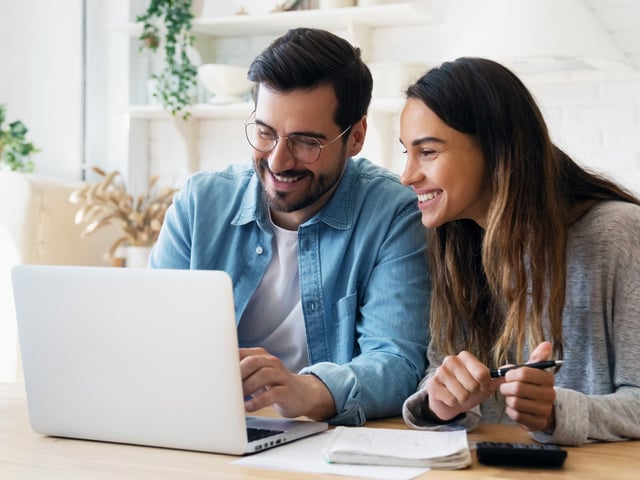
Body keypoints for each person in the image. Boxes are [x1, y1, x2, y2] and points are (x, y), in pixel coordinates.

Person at [149, 28, 429, 426]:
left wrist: (306, 391)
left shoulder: (393, 215)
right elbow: (150, 335)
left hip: (323, 440)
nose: (278, 161)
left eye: (305, 142)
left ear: (356, 137)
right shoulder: (199, 203)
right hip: (203, 427)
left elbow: (397, 362)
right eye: (265, 133)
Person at [399, 57, 640, 445]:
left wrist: (556, 412)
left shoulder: (619, 234)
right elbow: (439, 369)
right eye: (406, 153)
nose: (407, 175)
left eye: (427, 152)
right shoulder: (458, 243)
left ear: (496, 150)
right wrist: (442, 403)